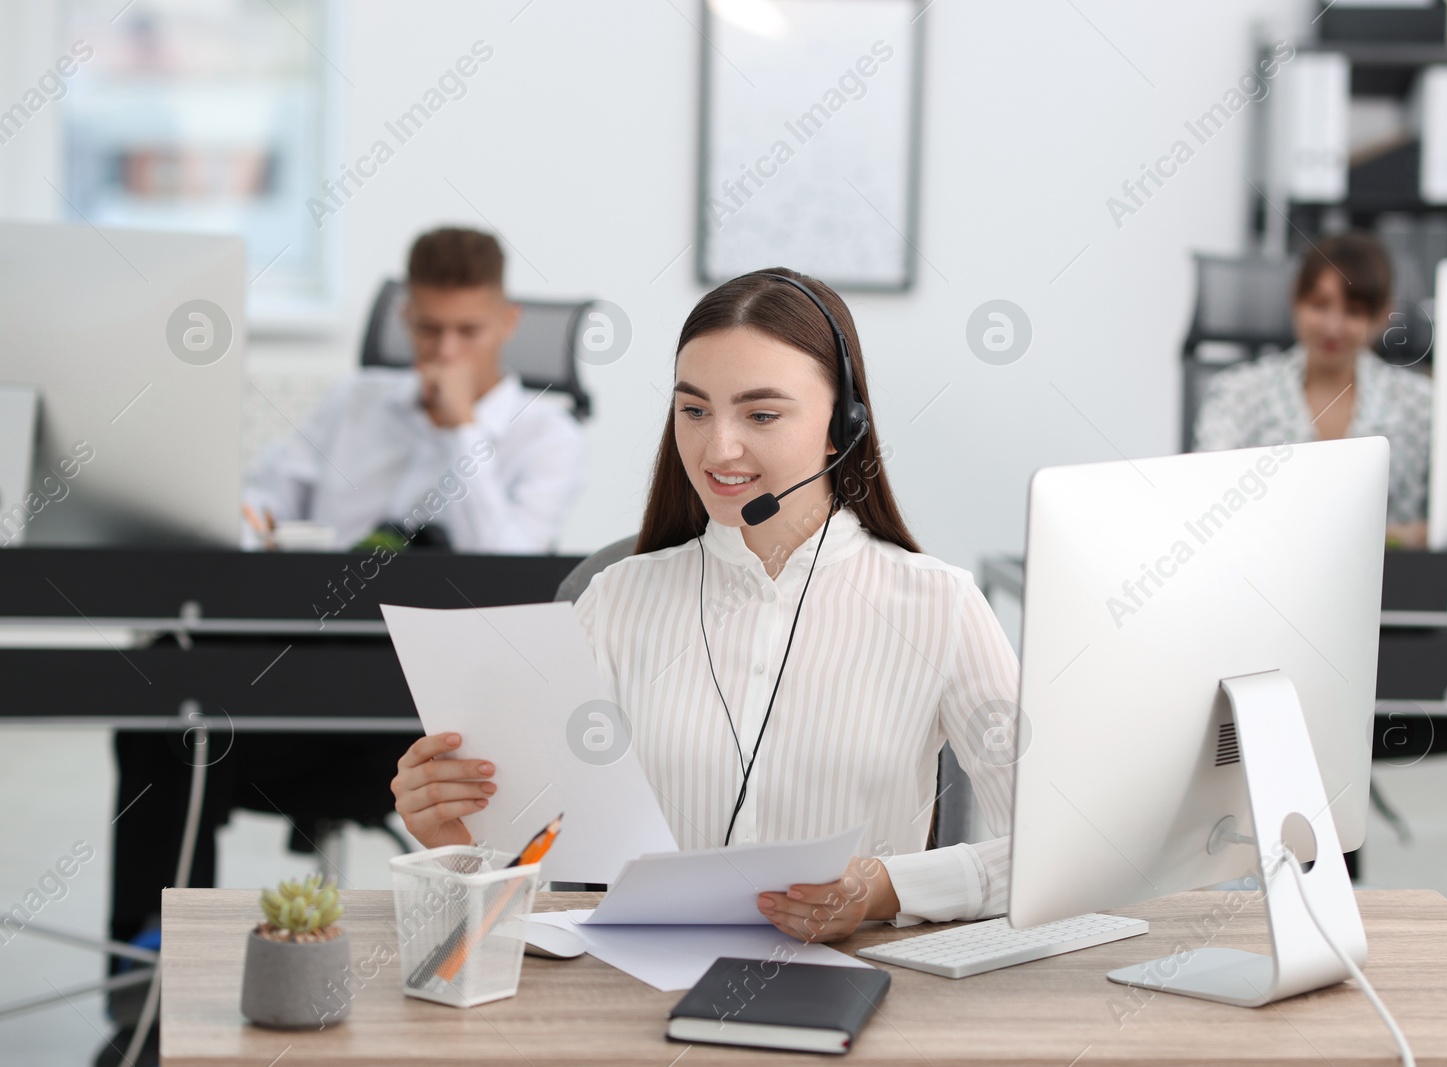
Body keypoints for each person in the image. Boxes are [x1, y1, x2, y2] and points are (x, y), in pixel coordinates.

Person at [392, 268, 1019, 942]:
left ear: (841, 426)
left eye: (761, 414)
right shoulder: (615, 599)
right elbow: (528, 868)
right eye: (694, 410)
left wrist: (884, 887)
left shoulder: (940, 606)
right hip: (633, 997)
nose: (717, 448)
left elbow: (1055, 849)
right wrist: (450, 832)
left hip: (853, 992)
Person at [243, 226, 585, 553]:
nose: (446, 350)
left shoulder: (549, 437)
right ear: (406, 318)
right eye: (429, 329)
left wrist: (463, 428)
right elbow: (263, 502)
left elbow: (509, 576)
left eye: (468, 331)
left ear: (509, 321)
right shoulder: (352, 400)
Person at [1192, 232, 1432, 548]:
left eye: (1353, 312)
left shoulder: (1421, 403)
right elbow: (1207, 504)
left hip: (1393, 586)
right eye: (1320, 305)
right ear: (1296, 299)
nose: (1333, 326)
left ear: (1381, 317)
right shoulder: (1238, 394)